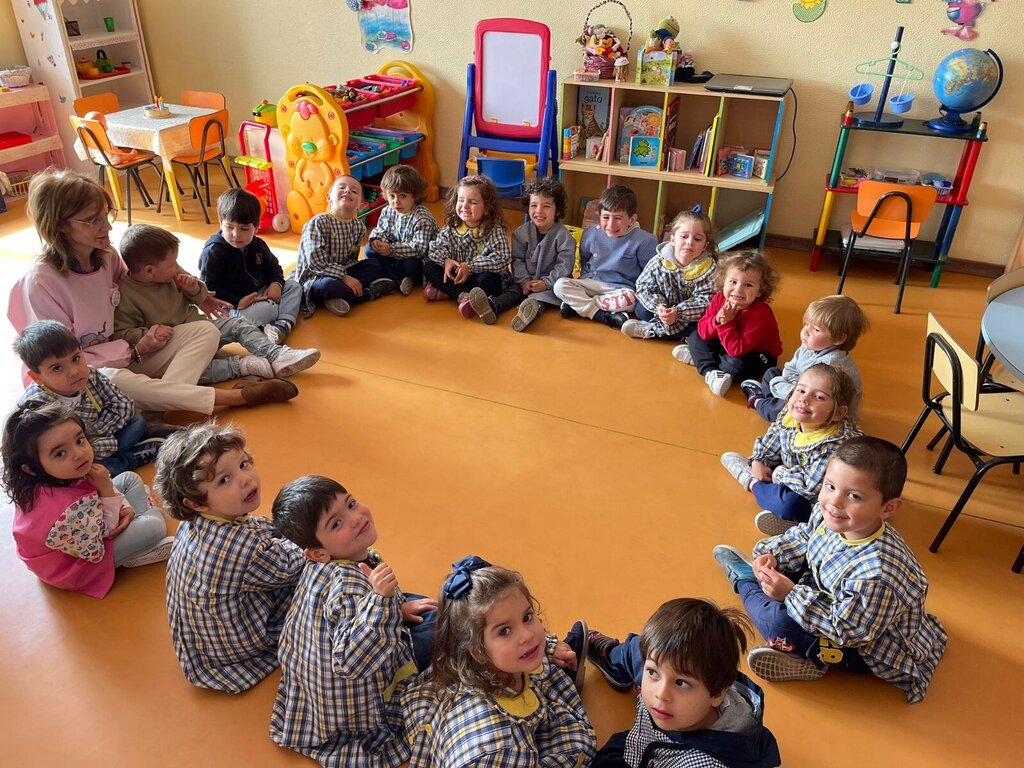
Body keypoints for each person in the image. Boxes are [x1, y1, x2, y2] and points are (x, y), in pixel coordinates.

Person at [7, 170, 289, 415]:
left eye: (106, 215)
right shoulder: (40, 284)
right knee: (113, 378)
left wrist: (198, 294)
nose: (107, 226)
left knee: (206, 331)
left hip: (129, 353)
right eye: (93, 220)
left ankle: (166, 405)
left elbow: (150, 272)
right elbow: (59, 363)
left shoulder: (105, 256)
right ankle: (234, 398)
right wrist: (133, 349)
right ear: (60, 226)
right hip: (78, 377)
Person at [712, 437, 948, 704]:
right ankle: (798, 643)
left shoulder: (877, 575)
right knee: (785, 568)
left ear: (888, 508)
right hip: (829, 593)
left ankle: (745, 582)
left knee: (779, 624)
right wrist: (773, 555)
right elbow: (806, 536)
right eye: (830, 486)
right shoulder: (832, 515)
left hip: (860, 645)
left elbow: (845, 630)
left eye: (854, 496)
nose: (834, 502)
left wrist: (790, 594)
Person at [269, 475, 437, 767]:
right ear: (318, 552)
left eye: (350, 504)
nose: (356, 518)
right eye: (336, 523)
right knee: (441, 624)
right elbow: (351, 662)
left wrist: (396, 607)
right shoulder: (348, 588)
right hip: (360, 697)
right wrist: (381, 602)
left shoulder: (325, 565)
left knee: (417, 603)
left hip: (319, 682)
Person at [402, 556, 596, 767]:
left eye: (527, 617)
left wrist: (548, 646)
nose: (527, 635)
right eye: (504, 631)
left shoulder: (485, 661)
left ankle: (558, 667)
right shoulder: (495, 748)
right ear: (477, 651)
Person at [155, 422, 305, 693]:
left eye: (243, 465)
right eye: (224, 480)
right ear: (196, 502)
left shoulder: (192, 524)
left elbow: (251, 529)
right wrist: (302, 534)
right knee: (314, 575)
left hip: (201, 641)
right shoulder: (244, 549)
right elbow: (292, 564)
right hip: (236, 644)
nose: (245, 479)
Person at [1, 402, 173, 598]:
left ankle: (140, 529)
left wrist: (124, 506)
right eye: (60, 453)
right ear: (30, 468)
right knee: (154, 527)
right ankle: (142, 536)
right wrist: (108, 493)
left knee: (129, 478)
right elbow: (102, 539)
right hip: (80, 565)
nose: (79, 454)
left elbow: (101, 494)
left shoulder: (56, 474)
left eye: (79, 440)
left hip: (85, 528)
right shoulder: (65, 512)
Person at [114, 224, 318, 389]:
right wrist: (149, 334)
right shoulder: (126, 294)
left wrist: (194, 288)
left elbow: (202, 294)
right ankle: (243, 366)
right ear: (149, 272)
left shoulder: (169, 272)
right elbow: (122, 333)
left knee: (236, 324)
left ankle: (276, 355)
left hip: (204, 330)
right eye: (172, 264)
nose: (176, 268)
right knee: (191, 371)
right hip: (177, 347)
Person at [585, 598, 781, 768]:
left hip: (664, 757)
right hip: (640, 742)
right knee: (642, 652)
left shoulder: (706, 763)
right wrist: (618, 656)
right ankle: (614, 662)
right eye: (653, 672)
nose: (661, 693)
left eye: (681, 683)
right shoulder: (668, 668)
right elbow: (640, 653)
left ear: (717, 694)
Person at [720, 364, 862, 536]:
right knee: (770, 463)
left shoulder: (834, 446)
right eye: (800, 391)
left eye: (819, 397)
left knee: (789, 505)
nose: (804, 399)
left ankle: (750, 481)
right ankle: (770, 490)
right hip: (792, 472)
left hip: (815, 496)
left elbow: (811, 488)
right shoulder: (793, 414)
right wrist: (759, 459)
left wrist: (780, 474)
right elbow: (774, 436)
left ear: (838, 413)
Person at [15, 319, 164, 476]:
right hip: (76, 455)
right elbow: (57, 451)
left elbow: (123, 405)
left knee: (138, 422)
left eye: (75, 359)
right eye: (57, 368)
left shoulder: (91, 374)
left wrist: (102, 438)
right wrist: (96, 442)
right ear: (36, 377)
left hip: (101, 438)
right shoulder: (38, 406)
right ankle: (132, 457)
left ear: (81, 352)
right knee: (92, 471)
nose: (74, 372)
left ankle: (123, 455)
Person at [199, 187, 304, 345]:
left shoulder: (258, 244)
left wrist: (276, 283)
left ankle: (282, 325)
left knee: (294, 286)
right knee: (267, 310)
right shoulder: (213, 252)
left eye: (244, 228)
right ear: (220, 223)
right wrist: (238, 302)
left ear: (256, 228)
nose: (236, 234)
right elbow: (210, 288)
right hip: (234, 304)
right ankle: (279, 315)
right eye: (229, 227)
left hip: (261, 291)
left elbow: (273, 267)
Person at [740, 295, 869, 423]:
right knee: (771, 372)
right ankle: (771, 399)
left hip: (819, 412)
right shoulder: (811, 345)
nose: (805, 332)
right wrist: (783, 383)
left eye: (816, 329)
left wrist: (782, 387)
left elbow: (810, 399)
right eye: (806, 325)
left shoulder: (829, 367)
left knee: (779, 410)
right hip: (801, 388)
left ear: (838, 339)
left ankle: (758, 401)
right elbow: (791, 367)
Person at [673, 250, 783, 397]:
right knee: (695, 337)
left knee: (736, 365)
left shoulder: (761, 314)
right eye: (733, 282)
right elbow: (703, 332)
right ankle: (710, 371)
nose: (738, 290)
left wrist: (726, 323)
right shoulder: (719, 299)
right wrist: (717, 320)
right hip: (728, 344)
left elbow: (737, 350)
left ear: (760, 290)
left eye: (748, 285)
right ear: (724, 281)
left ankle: (703, 360)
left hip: (757, 354)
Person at [554, 184, 657, 329]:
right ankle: (601, 314)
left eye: (618, 218)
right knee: (559, 285)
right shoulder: (591, 232)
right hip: (591, 283)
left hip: (620, 290)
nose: (610, 224)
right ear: (599, 216)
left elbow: (649, 274)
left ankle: (579, 306)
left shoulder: (645, 240)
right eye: (606, 217)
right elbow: (585, 259)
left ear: (632, 219)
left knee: (631, 300)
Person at [291, 175, 396, 318]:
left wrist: (347, 276)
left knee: (374, 265)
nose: (347, 191)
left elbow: (352, 259)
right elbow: (315, 261)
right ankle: (369, 293)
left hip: (343, 270)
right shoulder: (317, 222)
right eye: (342, 187)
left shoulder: (358, 227)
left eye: (354, 191)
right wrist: (344, 277)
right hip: (316, 275)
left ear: (360, 205)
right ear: (329, 197)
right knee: (328, 286)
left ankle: (338, 297)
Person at [490, 176, 577, 332]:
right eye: (534, 205)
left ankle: (530, 312)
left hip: (551, 285)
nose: (539, 211)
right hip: (525, 283)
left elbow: (564, 266)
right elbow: (517, 260)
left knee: (546, 296)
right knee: (513, 290)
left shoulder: (564, 237)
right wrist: (524, 281)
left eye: (546, 206)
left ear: (557, 210)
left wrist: (546, 283)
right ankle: (495, 306)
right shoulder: (520, 234)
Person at [422, 175, 513, 320]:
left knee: (489, 281)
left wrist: (470, 267)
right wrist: (445, 261)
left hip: (478, 277)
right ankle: (462, 295)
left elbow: (502, 258)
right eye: (461, 200)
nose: (464, 206)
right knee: (429, 267)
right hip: (457, 274)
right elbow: (434, 248)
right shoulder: (452, 226)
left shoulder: (493, 230)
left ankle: (448, 292)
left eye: (473, 202)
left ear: (487, 208)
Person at [621, 207, 719, 341]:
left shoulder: (709, 269)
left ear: (705, 246)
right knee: (641, 310)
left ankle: (653, 330)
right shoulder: (659, 260)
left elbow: (706, 301)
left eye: (697, 239)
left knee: (704, 325)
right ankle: (678, 335)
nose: (689, 242)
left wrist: (679, 312)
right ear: (672, 239)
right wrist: (660, 307)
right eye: (684, 236)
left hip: (689, 317)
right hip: (663, 311)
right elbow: (644, 286)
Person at [364, 164, 439, 296]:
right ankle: (396, 279)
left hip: (417, 258)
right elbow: (381, 229)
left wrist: (391, 249)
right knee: (369, 249)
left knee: (411, 266)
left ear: (415, 196)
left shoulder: (421, 219)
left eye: (402, 196)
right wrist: (377, 240)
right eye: (392, 196)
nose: (396, 202)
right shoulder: (388, 210)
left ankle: (389, 277)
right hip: (394, 253)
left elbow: (419, 249)